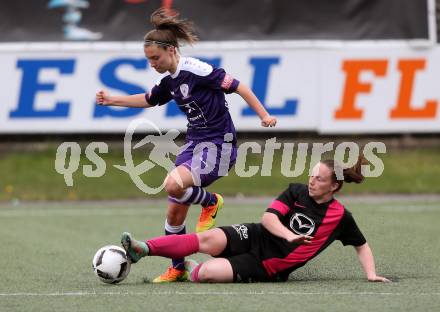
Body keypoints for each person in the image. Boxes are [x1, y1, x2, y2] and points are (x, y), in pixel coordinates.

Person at [96, 8, 277, 283]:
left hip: (219, 145)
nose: (152, 64)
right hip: (195, 143)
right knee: (174, 211)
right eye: (148, 60)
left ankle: (211, 201)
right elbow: (148, 99)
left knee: (173, 184)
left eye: (155, 58)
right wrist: (112, 100)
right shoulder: (167, 81)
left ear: (170, 51)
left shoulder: (197, 69)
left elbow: (240, 86)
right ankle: (177, 267)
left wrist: (263, 115)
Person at [120, 156, 391, 283]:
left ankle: (190, 268)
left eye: (319, 179)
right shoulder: (296, 190)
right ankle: (144, 249)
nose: (311, 181)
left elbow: (361, 244)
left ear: (334, 187)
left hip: (268, 265)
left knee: (206, 274)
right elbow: (269, 218)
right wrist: (288, 235)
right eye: (312, 175)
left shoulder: (340, 216)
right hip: (258, 233)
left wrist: (371, 274)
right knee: (207, 239)